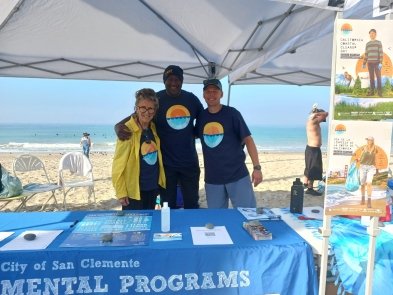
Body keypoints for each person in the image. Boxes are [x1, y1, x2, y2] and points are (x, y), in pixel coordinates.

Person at [114, 65, 203, 209]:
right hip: (166, 166)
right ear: (164, 81)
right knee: (167, 206)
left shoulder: (191, 99)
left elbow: (204, 120)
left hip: (189, 163)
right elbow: (139, 114)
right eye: (169, 79)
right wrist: (118, 126)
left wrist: (195, 132)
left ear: (182, 80)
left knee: (192, 204)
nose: (173, 82)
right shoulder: (158, 99)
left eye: (177, 79)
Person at [196, 79, 263, 208]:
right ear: (203, 95)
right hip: (212, 179)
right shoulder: (201, 117)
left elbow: (248, 140)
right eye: (208, 92)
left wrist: (257, 168)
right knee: (218, 220)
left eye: (215, 91)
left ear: (221, 94)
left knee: (247, 215)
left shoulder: (232, 114)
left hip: (237, 175)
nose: (211, 95)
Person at [112, 88, 165, 210]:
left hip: (152, 188)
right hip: (133, 192)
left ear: (155, 110)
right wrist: (121, 192)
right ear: (136, 108)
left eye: (151, 108)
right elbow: (118, 166)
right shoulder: (126, 131)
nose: (147, 112)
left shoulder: (153, 128)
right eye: (143, 107)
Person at [303, 104, 329, 196]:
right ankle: (310, 188)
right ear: (317, 115)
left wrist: (316, 112)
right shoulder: (313, 121)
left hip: (311, 149)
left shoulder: (312, 121)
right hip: (313, 149)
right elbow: (326, 113)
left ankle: (305, 184)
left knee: (309, 168)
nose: (322, 120)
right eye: (321, 118)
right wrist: (317, 112)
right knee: (313, 169)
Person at [356, 136, 378, 208]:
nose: (368, 141)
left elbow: (376, 159)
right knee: (362, 184)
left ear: (372, 141)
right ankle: (362, 198)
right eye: (367, 140)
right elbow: (360, 157)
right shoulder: (364, 148)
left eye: (369, 140)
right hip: (362, 167)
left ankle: (369, 200)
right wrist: (358, 159)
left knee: (369, 183)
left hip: (371, 167)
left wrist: (377, 170)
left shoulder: (375, 149)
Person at [362, 29, 383, 97]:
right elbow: (366, 54)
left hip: (377, 63)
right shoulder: (367, 44)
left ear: (375, 34)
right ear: (369, 35)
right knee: (371, 78)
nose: (372, 35)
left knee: (378, 77)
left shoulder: (378, 43)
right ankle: (372, 92)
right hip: (370, 63)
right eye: (370, 33)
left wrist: (381, 62)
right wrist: (364, 63)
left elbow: (381, 53)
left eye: (373, 33)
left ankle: (379, 93)